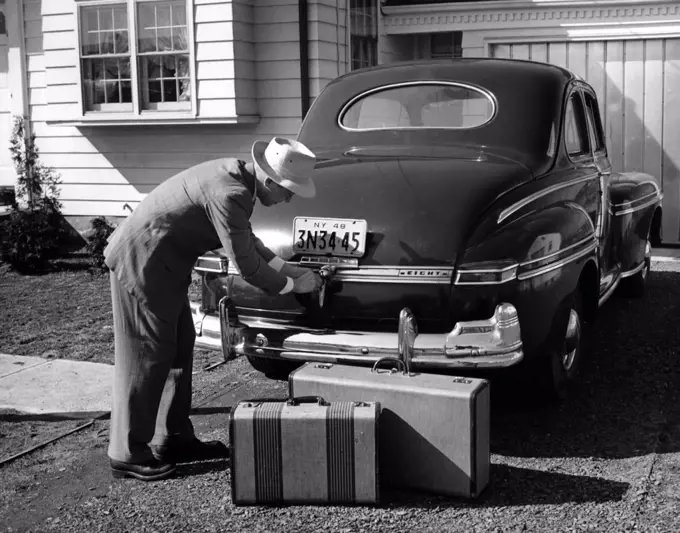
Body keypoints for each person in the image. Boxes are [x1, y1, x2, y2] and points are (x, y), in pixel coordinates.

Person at [104, 137, 323, 481]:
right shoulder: (230, 193)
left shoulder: (238, 180)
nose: (289, 198)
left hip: (165, 265)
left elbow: (247, 241)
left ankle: (172, 437)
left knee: (178, 345)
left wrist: (288, 269)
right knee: (147, 353)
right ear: (269, 180)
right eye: (288, 190)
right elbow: (247, 266)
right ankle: (126, 451)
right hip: (141, 264)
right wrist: (295, 286)